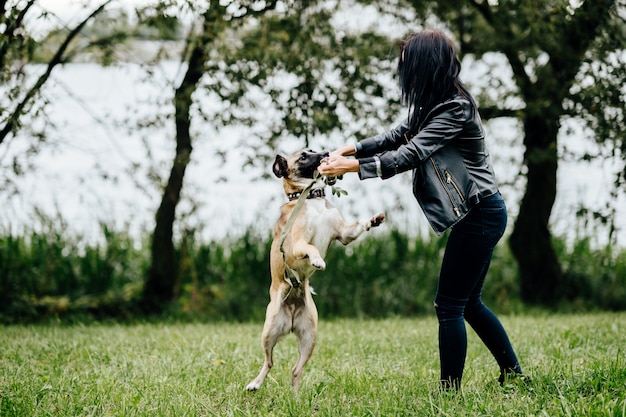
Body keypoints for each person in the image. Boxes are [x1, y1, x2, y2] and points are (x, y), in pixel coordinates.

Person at [317, 29, 524, 390]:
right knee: (468, 303)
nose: (402, 73)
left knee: (449, 306)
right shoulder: (435, 103)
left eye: (406, 65)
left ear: (423, 66)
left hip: (481, 213)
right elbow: (396, 136)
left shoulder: (455, 109)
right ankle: (513, 374)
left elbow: (410, 154)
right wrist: (348, 150)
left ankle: (450, 392)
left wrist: (350, 169)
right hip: (479, 213)